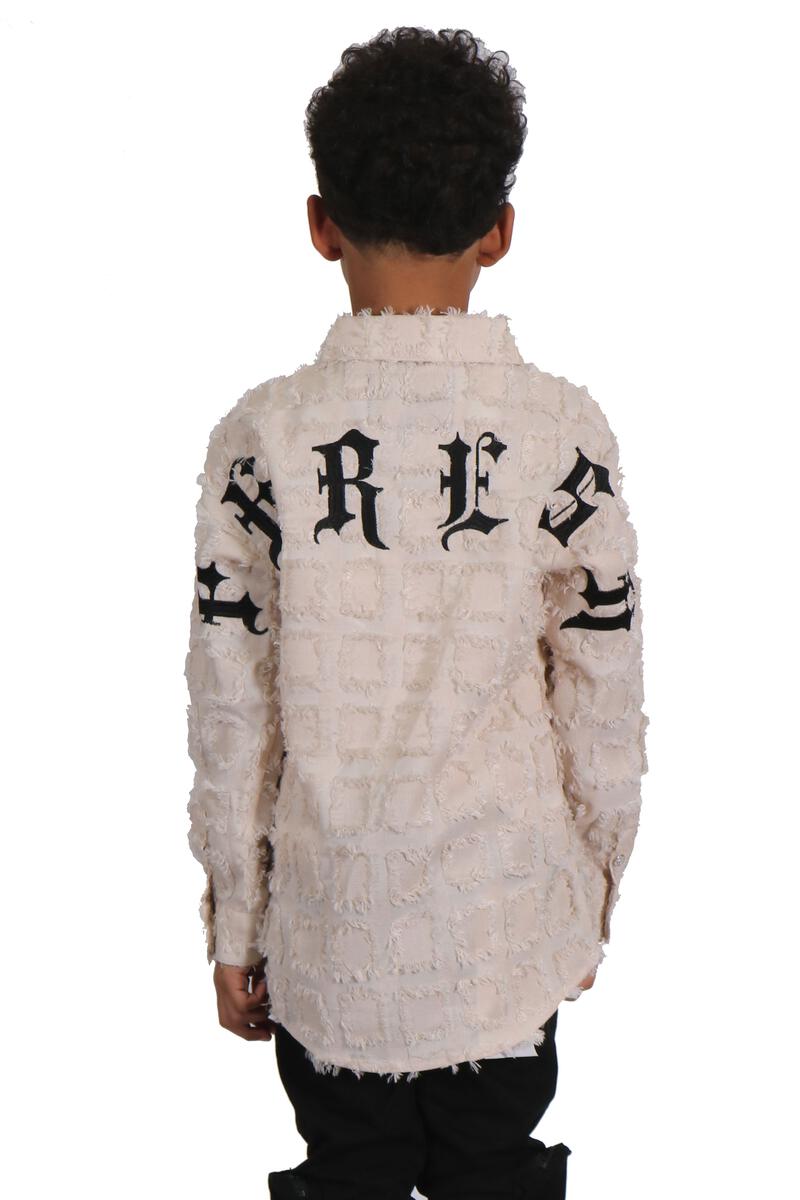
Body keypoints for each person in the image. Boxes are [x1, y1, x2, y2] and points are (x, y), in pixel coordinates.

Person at [184, 25, 649, 1200]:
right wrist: (591, 889)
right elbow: (602, 687)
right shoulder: (560, 435)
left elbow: (231, 708)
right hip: (503, 929)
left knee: (348, 1173)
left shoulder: (262, 441)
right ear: (499, 229)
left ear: (319, 223)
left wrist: (236, 923)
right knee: (493, 1171)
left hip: (328, 934)